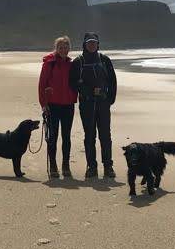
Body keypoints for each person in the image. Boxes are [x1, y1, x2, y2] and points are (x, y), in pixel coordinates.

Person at [68, 32, 117, 178]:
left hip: (103, 104)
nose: (92, 45)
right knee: (89, 136)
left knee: (105, 136)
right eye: (89, 42)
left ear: (98, 44)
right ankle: (92, 167)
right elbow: (72, 83)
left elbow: (112, 81)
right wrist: (88, 91)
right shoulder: (79, 62)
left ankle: (108, 167)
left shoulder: (105, 60)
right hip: (87, 104)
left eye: (94, 42)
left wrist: (110, 99)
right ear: (84, 44)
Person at [37, 36, 78, 178]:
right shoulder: (49, 63)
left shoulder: (71, 64)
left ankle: (66, 165)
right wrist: (44, 105)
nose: (63, 50)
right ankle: (53, 165)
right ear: (56, 48)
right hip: (52, 106)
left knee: (66, 137)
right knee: (52, 137)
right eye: (60, 47)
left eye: (65, 47)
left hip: (68, 105)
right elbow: (42, 85)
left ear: (69, 49)